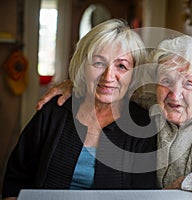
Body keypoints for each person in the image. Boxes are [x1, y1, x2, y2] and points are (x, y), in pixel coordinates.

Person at [34, 35, 192, 200]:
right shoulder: (158, 107)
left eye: (189, 83)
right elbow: (114, 88)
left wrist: (186, 182)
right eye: (166, 81)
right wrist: (74, 85)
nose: (175, 94)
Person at [2, 19, 157, 200]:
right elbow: (15, 180)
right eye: (98, 63)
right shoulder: (53, 112)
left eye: (121, 66)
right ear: (84, 67)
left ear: (134, 74)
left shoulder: (142, 126)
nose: (108, 76)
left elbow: (144, 195)